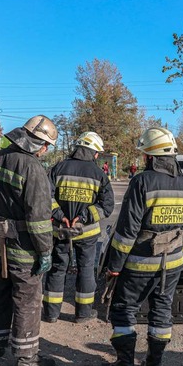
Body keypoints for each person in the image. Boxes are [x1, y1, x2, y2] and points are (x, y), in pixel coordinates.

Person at [99, 127, 183, 366]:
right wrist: (177, 258)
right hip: (172, 264)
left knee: (123, 308)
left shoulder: (142, 182)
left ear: (151, 157)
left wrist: (114, 265)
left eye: (145, 154)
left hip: (139, 263)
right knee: (162, 309)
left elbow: (127, 231)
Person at [0, 115, 57, 366]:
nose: (46, 150)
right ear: (37, 143)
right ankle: (26, 358)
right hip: (24, 251)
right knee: (27, 301)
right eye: (46, 145)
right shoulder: (32, 167)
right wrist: (45, 251)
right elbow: (39, 219)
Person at [43, 131, 114, 324]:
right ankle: (83, 314)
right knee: (86, 270)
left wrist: (60, 215)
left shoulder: (58, 168)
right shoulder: (99, 174)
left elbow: (45, 197)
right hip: (87, 233)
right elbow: (107, 206)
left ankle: (51, 314)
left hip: (60, 230)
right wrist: (83, 217)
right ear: (94, 153)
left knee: (57, 269)